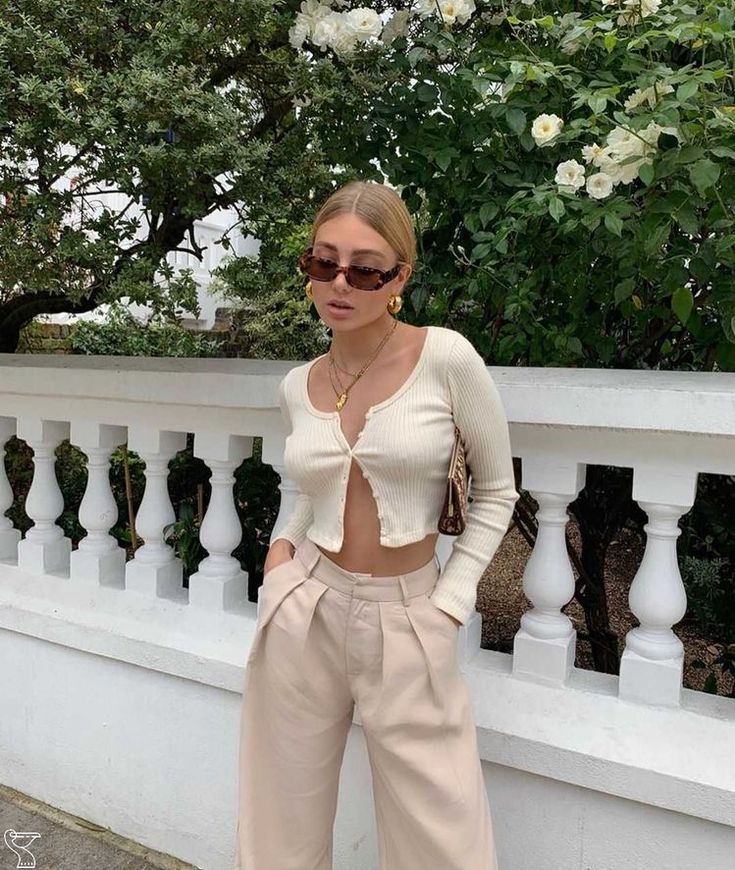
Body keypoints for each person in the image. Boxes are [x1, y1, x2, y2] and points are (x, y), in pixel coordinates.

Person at [235, 180, 519, 870]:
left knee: (443, 836)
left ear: (399, 278)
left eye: (364, 269)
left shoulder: (444, 358)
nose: (340, 282)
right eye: (322, 261)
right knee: (280, 820)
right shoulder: (297, 384)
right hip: (305, 607)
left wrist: (447, 604)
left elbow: (496, 492)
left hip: (409, 616)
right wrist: (280, 557)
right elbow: (312, 489)